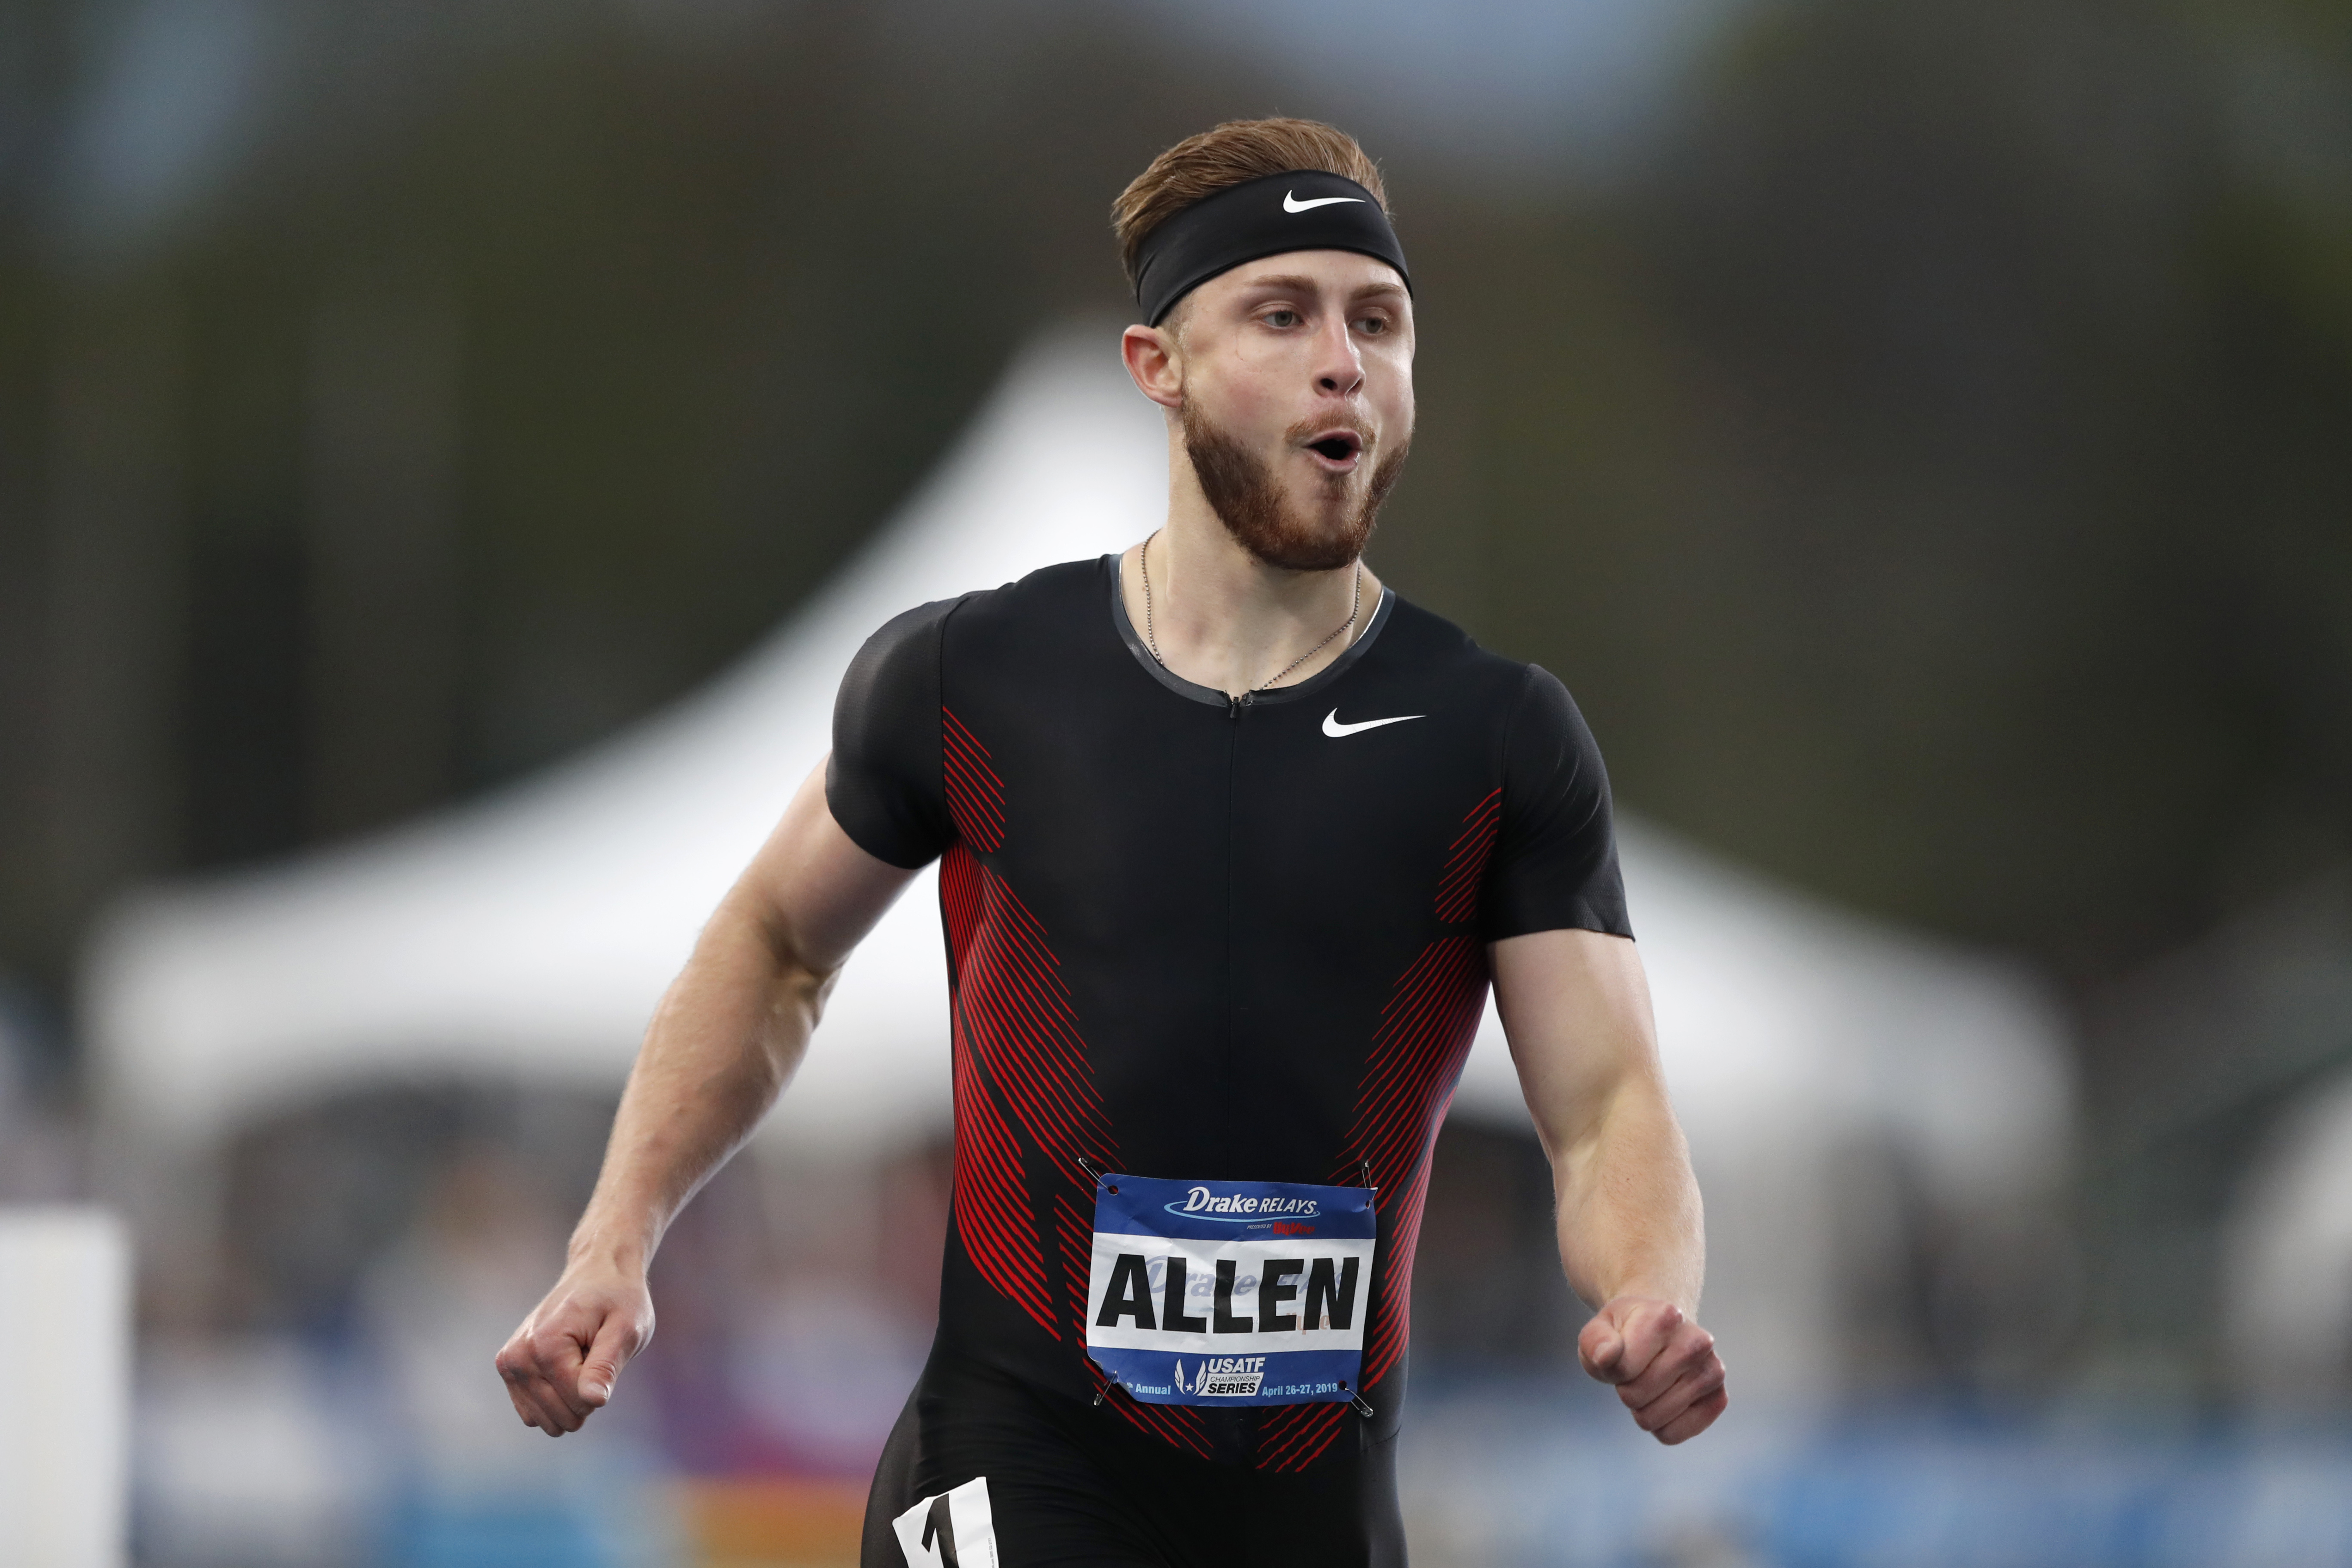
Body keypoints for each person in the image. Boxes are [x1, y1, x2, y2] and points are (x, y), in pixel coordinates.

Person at [498, 117, 1726, 1567]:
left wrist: (1647, 1290)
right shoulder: (971, 678)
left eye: (1378, 320)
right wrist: (616, 1236)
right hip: (1013, 1465)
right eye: (1282, 314)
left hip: (1314, 1504)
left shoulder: (1497, 736)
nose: (1345, 360)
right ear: (1161, 369)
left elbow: (1603, 1104)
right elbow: (774, 945)